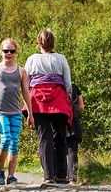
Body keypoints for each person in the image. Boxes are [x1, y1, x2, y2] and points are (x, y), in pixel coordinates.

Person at [24, 28, 73, 185]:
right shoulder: (61, 58)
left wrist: (25, 101)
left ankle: (48, 176)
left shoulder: (31, 59)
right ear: (53, 42)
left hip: (37, 101)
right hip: (58, 100)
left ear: (38, 42)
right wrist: (69, 98)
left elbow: (26, 82)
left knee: (44, 138)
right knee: (60, 136)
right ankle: (62, 175)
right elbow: (67, 82)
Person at [0, 38, 34, 186]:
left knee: (14, 143)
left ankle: (11, 176)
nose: (8, 53)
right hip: (1, 112)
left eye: (12, 51)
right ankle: (0, 170)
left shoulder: (22, 71)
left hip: (16, 113)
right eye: (6, 51)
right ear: (0, 52)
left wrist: (30, 114)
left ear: (16, 53)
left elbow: (26, 93)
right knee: (6, 138)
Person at [66, 83, 84, 185]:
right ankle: (72, 178)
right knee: (72, 150)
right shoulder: (74, 87)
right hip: (73, 122)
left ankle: (60, 176)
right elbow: (81, 107)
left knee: (59, 149)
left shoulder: (54, 86)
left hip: (59, 121)